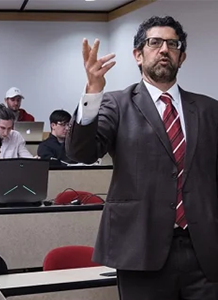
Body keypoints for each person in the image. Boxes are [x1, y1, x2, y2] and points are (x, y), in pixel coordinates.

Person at [66, 16, 218, 299]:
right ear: (138, 55)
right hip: (140, 248)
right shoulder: (115, 103)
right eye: (155, 42)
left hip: (205, 252)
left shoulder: (210, 109)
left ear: (181, 57)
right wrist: (93, 93)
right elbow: (81, 153)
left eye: (172, 44)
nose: (164, 50)